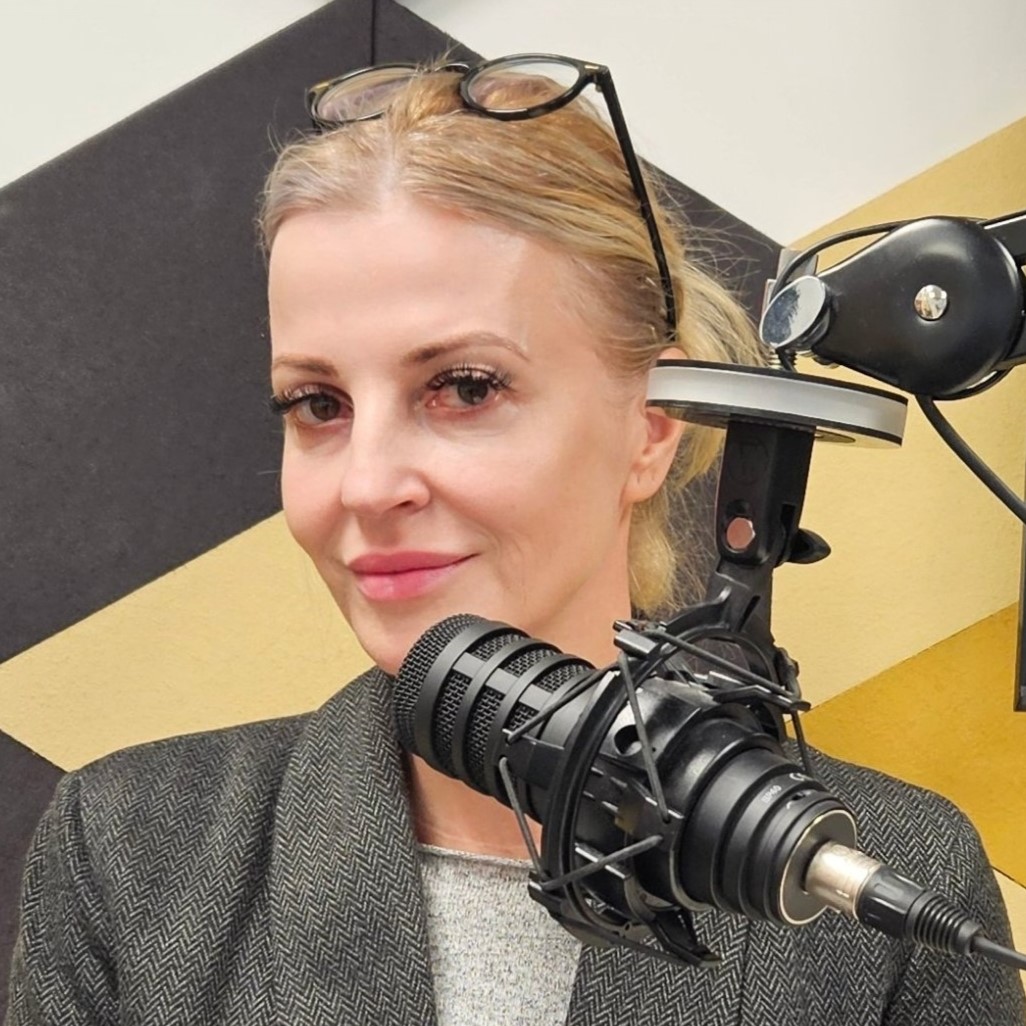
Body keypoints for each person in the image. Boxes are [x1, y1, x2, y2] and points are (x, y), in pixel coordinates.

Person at [5, 54, 1024, 1026]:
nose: (366, 485)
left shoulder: (894, 891)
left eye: (464, 388)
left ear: (651, 427)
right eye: (316, 404)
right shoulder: (132, 854)